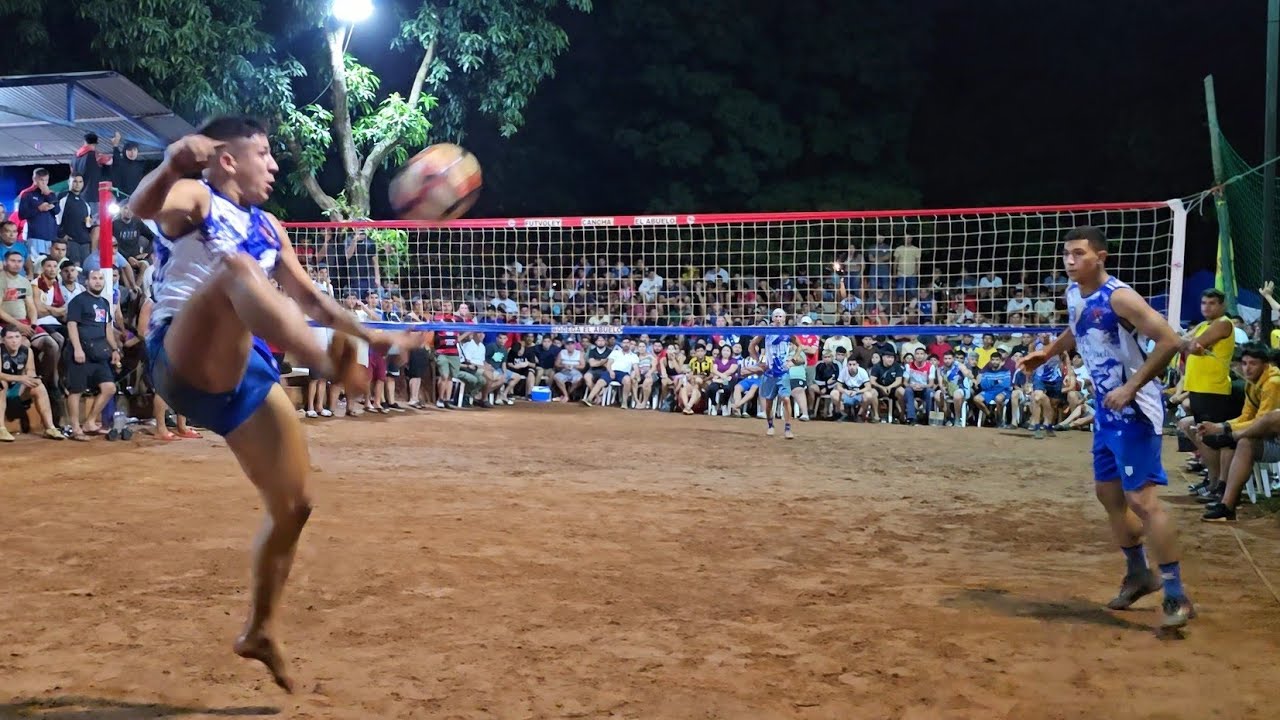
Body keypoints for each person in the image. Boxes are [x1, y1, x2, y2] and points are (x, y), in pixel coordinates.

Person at [129, 116, 411, 691]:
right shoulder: (195, 194)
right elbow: (141, 208)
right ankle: (329, 366)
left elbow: (312, 299)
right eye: (264, 153)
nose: (275, 165)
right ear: (228, 159)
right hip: (181, 354)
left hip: (246, 369)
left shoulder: (269, 226)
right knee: (234, 269)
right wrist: (171, 161)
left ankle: (259, 630)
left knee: (296, 505)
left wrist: (369, 334)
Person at [1020, 226, 1194, 629]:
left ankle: (1176, 594)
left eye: (1078, 254)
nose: (1069, 260)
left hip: (1134, 411)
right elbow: (1078, 327)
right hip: (1106, 411)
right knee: (1108, 494)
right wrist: (1049, 350)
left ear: (1100, 257)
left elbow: (1169, 341)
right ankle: (1138, 574)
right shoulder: (1074, 294)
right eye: (1066, 253)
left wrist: (1131, 387)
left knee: (1143, 501)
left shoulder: (1120, 296)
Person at [0, 324, 65, 441]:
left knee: (39, 387)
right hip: (3, 389)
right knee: (1, 384)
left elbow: (31, 371)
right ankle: (1, 429)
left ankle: (50, 427)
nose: (14, 341)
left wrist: (33, 379)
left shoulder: (27, 351)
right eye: (10, 338)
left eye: (17, 337)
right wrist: (21, 378)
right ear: (3, 340)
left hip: (16, 388)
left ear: (21, 338)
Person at [748, 307, 795, 439]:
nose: (779, 319)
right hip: (769, 371)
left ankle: (788, 428)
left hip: (783, 372)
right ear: (772, 318)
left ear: (784, 319)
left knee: (786, 398)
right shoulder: (767, 331)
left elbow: (799, 345)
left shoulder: (788, 332)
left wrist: (793, 359)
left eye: (781, 317)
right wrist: (758, 361)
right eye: (776, 316)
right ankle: (770, 425)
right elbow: (752, 345)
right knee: (769, 401)